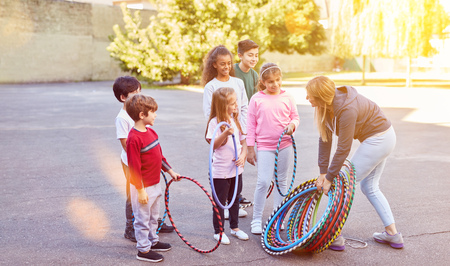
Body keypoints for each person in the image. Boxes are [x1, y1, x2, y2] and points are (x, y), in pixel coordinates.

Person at [305, 76, 403, 250]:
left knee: (341, 183)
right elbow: (325, 139)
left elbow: (343, 148)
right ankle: (392, 234)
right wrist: (323, 172)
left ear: (321, 96)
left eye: (310, 95)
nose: (307, 98)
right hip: (383, 137)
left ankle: (334, 235)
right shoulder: (328, 106)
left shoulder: (346, 109)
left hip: (379, 139)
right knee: (369, 186)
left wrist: (329, 177)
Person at [113, 76, 174, 244]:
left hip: (146, 162)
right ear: (123, 97)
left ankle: (154, 226)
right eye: (134, 93)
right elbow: (128, 146)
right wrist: (145, 158)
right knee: (134, 196)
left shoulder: (143, 122)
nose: (139, 96)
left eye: (140, 92)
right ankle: (131, 228)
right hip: (131, 164)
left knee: (152, 196)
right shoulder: (123, 118)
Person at [246, 63, 300, 235]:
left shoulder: (288, 97)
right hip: (264, 146)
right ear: (262, 81)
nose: (274, 84)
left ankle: (278, 218)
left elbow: (295, 117)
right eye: (270, 81)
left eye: (277, 80)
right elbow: (251, 124)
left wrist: (292, 125)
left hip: (284, 145)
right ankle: (256, 219)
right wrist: (250, 148)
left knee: (281, 182)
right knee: (263, 181)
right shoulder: (256, 99)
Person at [126, 94, 180, 262]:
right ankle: (143, 250)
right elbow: (134, 168)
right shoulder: (133, 139)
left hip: (156, 183)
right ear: (142, 115)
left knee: (153, 215)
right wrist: (141, 190)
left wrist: (170, 171)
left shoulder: (151, 132)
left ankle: (152, 241)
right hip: (143, 187)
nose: (155, 115)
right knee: (142, 219)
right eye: (153, 112)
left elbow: (159, 156)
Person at [202, 44, 249, 218]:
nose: (227, 67)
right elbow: (209, 112)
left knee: (236, 168)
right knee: (221, 166)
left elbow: (244, 106)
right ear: (214, 64)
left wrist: (241, 129)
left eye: (229, 63)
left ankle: (232, 203)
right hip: (221, 131)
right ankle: (223, 204)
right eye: (222, 64)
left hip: (237, 128)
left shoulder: (238, 82)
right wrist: (222, 128)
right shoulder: (211, 86)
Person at [205, 87, 249, 244]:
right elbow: (213, 145)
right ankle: (219, 231)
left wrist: (243, 156)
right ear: (222, 106)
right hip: (221, 171)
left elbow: (244, 143)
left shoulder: (235, 120)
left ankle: (235, 228)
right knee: (219, 201)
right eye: (232, 103)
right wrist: (225, 133)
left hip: (236, 170)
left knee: (235, 199)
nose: (236, 105)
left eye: (236, 101)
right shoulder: (214, 123)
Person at [233, 39, 259, 207]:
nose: (254, 59)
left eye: (256, 55)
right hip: (233, 118)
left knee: (242, 159)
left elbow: (256, 99)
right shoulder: (233, 71)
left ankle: (237, 194)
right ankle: (232, 195)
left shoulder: (254, 75)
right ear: (240, 55)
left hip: (247, 120)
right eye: (250, 55)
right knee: (234, 157)